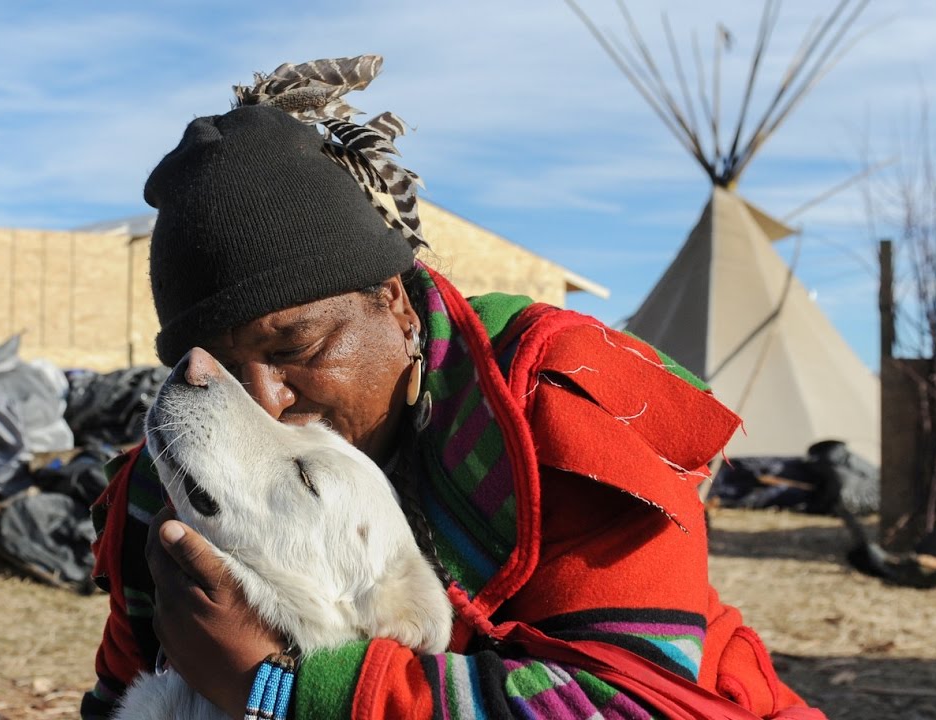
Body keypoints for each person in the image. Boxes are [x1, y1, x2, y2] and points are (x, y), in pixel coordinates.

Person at [82, 99, 820, 718]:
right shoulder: (183, 474)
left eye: (296, 345)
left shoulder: (556, 409)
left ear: (396, 306)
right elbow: (121, 688)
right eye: (219, 372)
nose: (264, 405)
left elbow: (634, 706)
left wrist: (277, 686)